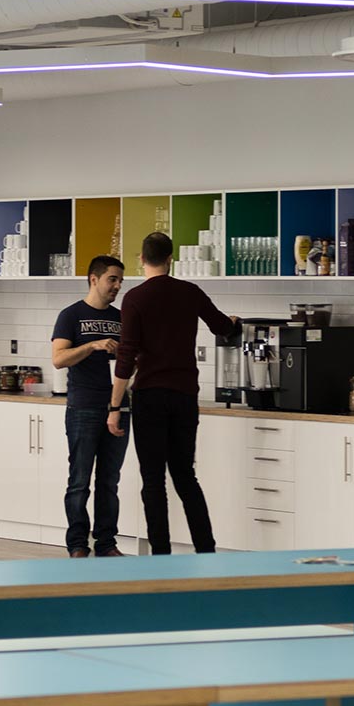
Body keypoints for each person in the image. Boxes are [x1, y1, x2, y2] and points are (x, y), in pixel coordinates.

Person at [107, 231, 240, 555]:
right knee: (185, 476)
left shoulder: (134, 299)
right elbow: (222, 326)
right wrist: (234, 321)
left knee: (153, 481)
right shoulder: (190, 292)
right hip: (184, 398)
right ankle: (206, 550)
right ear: (171, 259)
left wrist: (115, 405)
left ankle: (161, 557)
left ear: (142, 259)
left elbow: (126, 357)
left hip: (150, 398)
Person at [50, 254, 129, 557]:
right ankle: (78, 545)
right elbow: (58, 359)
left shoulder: (123, 318)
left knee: (110, 481)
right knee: (80, 481)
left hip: (118, 407)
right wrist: (92, 345)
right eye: (113, 279)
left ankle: (107, 544)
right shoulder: (70, 315)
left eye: (120, 280)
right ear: (93, 279)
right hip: (83, 407)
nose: (117, 285)